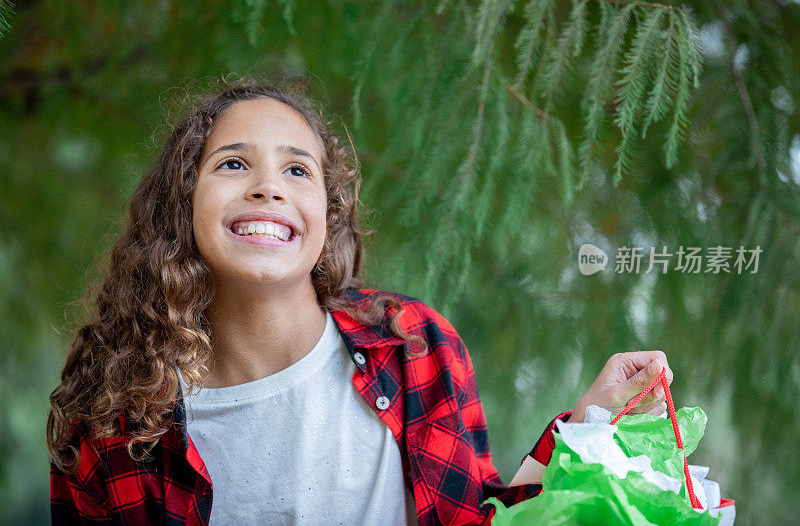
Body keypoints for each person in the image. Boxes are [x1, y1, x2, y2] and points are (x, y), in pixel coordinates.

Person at [46, 77, 673, 525]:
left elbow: (478, 518)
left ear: (328, 215)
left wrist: (586, 423)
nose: (268, 187)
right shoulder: (113, 416)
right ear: (182, 205)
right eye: (233, 164)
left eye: (298, 171)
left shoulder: (416, 347)